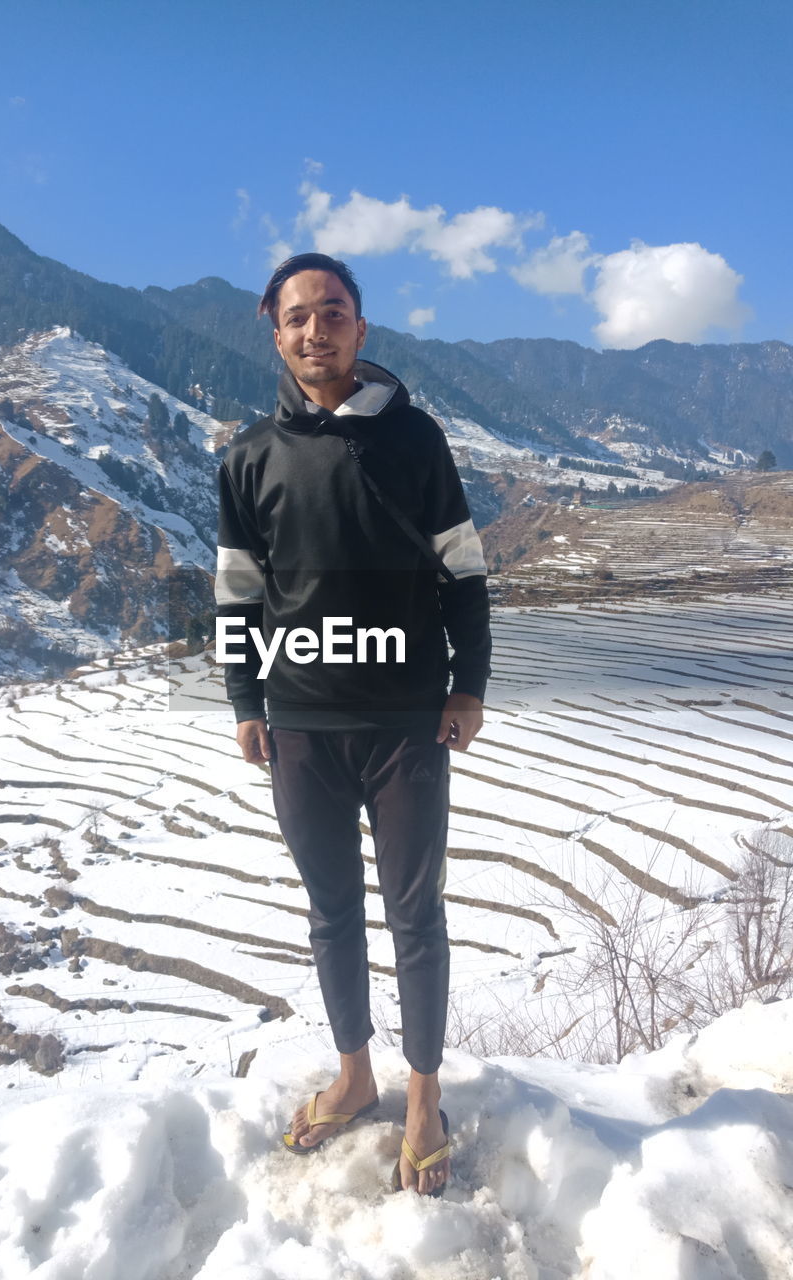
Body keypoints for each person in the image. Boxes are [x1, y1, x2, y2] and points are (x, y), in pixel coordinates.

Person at [214, 253, 491, 1196]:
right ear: (275, 331)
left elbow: (464, 575)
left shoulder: (417, 441)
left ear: (361, 331)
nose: (315, 330)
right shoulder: (249, 458)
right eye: (297, 317)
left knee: (417, 915)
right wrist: (247, 700)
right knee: (331, 912)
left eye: (333, 313)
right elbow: (239, 595)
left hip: (406, 723)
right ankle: (354, 1075)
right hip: (300, 728)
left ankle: (421, 1095)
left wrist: (468, 686)